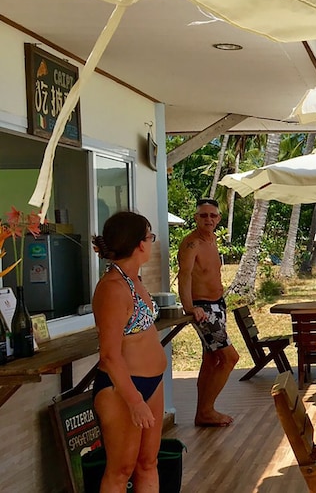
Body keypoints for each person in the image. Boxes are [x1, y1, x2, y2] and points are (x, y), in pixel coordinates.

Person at [91, 211, 165, 491]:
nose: (152, 241)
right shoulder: (112, 288)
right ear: (139, 244)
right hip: (122, 387)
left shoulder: (134, 280)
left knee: (148, 463)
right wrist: (134, 401)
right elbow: (109, 355)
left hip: (152, 383)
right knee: (121, 470)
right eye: (150, 236)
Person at [177, 198, 239, 427]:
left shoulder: (212, 240)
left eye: (213, 215)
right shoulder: (191, 243)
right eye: (203, 215)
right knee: (230, 358)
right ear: (196, 218)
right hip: (203, 309)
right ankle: (207, 410)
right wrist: (189, 308)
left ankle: (202, 412)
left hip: (218, 305)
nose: (208, 219)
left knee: (212, 359)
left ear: (219, 219)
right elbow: (184, 276)